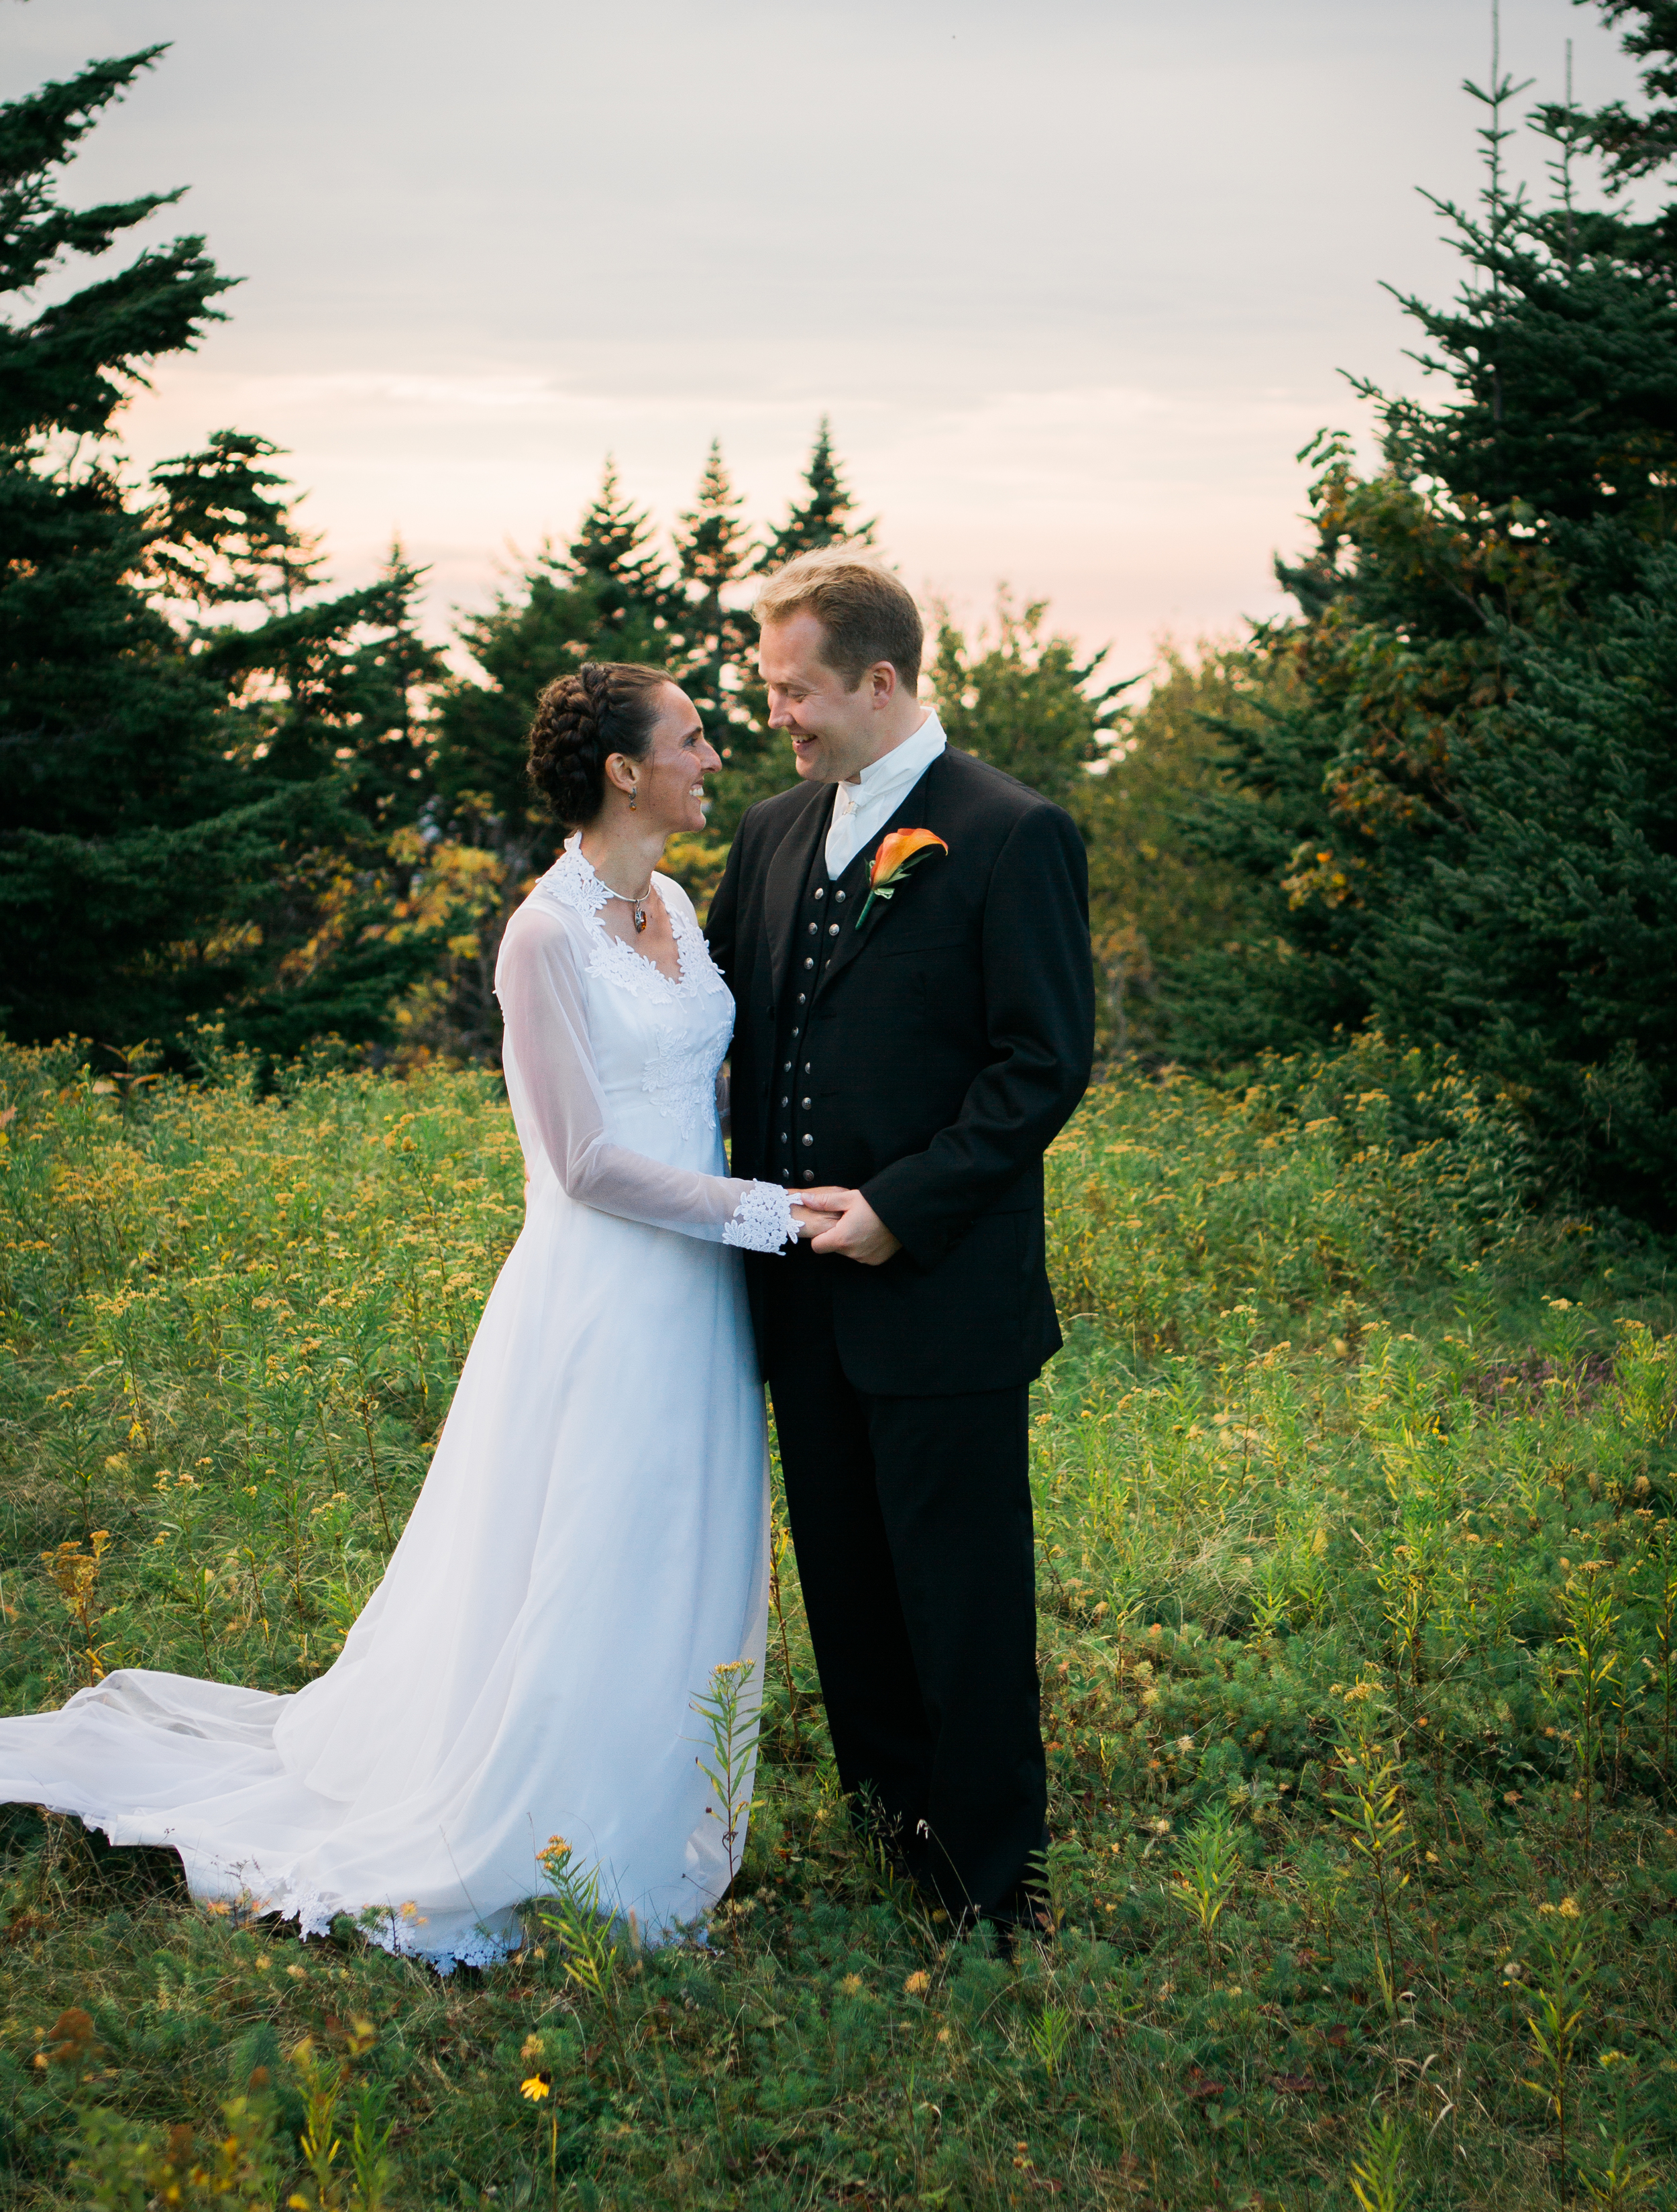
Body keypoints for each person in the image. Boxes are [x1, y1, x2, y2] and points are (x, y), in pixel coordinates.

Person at [0, 664, 818, 1968]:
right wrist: (770, 1210)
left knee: (679, 1542)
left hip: (699, 1296)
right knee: (588, 1549)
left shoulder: (668, 900)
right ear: (621, 768)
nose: (715, 755)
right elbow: (584, 1164)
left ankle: (651, 1795)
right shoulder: (542, 935)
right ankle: (542, 1819)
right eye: (692, 736)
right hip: (605, 1294)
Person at [706, 552, 1095, 1931]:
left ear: (879, 682)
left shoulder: (1007, 831)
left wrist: (900, 1208)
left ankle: (995, 1887)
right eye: (769, 692)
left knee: (961, 1600)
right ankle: (893, 1835)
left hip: (939, 1292)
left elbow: (1038, 1066)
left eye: (794, 691)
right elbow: (731, 1036)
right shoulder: (765, 836)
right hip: (794, 1297)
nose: (780, 719)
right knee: (850, 1591)